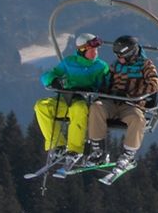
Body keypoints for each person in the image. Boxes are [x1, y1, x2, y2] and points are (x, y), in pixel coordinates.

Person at [86, 33, 158, 174]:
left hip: (131, 104)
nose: (118, 58)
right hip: (111, 102)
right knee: (96, 108)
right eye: (117, 55)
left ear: (131, 54)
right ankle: (98, 151)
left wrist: (131, 95)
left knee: (137, 119)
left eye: (121, 55)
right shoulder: (116, 65)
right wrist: (103, 88)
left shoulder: (146, 65)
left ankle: (128, 155)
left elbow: (154, 84)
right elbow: (106, 79)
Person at [34, 33, 109, 167]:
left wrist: (101, 89)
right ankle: (58, 145)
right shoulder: (69, 62)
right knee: (42, 106)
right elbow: (48, 75)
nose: (95, 53)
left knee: (78, 109)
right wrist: (53, 80)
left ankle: (75, 149)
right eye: (91, 50)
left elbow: (107, 85)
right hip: (67, 99)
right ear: (82, 50)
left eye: (96, 50)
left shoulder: (101, 67)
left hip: (85, 101)